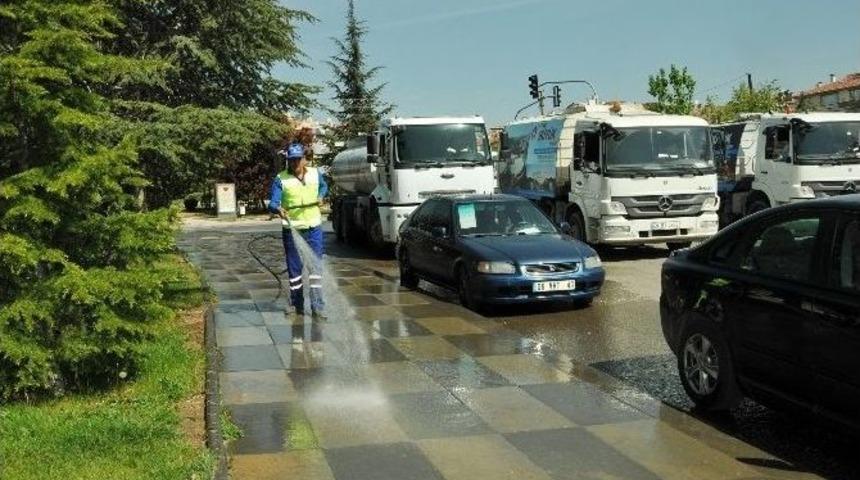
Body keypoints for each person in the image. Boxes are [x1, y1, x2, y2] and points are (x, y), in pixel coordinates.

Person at [268, 143, 329, 317]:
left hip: (313, 227)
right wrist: (277, 209)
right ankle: (297, 305)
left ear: (303, 159)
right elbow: (273, 202)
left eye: (297, 159)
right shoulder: (281, 179)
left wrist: (321, 196)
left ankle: (317, 306)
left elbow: (324, 187)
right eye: (291, 160)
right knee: (295, 270)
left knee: (315, 268)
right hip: (292, 229)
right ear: (288, 161)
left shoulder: (316, 174)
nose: (294, 163)